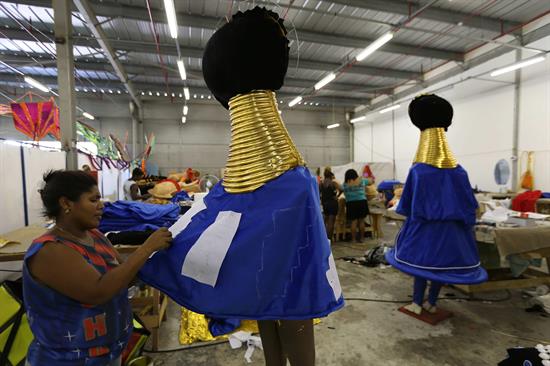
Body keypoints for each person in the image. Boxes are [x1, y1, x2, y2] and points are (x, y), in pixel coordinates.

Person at [138, 7, 343, 366]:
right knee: (266, 294)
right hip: (275, 184)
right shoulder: (294, 181)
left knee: (285, 297)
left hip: (277, 193)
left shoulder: (291, 183)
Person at [23, 170, 172, 365]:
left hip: (107, 354)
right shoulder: (50, 250)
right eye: (93, 200)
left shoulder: (95, 236)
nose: (101, 206)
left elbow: (124, 276)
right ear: (66, 203)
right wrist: (146, 249)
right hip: (67, 360)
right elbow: (98, 291)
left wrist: (161, 260)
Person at [385, 94, 487, 315]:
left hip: (425, 230)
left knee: (422, 268)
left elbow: (406, 206)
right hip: (453, 233)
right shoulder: (459, 171)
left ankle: (417, 303)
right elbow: (470, 204)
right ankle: (432, 302)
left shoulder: (419, 170)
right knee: (443, 268)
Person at [343, 169, 370, 243]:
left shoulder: (345, 184)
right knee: (361, 221)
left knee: (353, 222)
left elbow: (343, 191)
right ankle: (362, 238)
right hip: (362, 201)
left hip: (351, 203)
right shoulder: (362, 181)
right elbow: (371, 181)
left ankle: (353, 239)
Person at [320, 168, 340, 240]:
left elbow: (319, 193)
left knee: (325, 221)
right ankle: (329, 239)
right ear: (331, 176)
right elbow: (341, 189)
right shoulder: (333, 183)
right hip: (332, 203)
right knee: (331, 222)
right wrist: (337, 196)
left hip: (325, 203)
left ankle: (324, 238)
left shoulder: (321, 183)